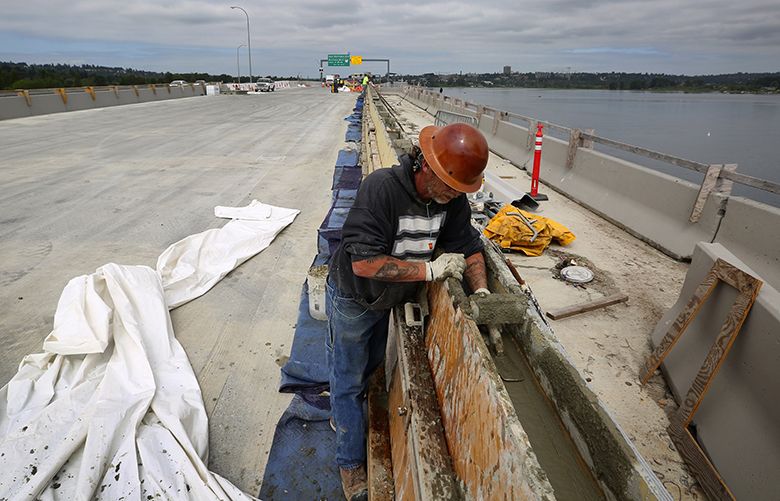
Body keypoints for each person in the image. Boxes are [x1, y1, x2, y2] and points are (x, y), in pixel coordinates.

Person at [326, 123, 491, 500]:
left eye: (460, 190)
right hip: (356, 298)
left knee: (369, 367)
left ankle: (345, 409)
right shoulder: (382, 189)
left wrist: (480, 292)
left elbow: (469, 247)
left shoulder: (452, 200)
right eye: (449, 187)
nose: (453, 196)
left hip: (389, 300)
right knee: (347, 376)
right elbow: (364, 263)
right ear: (425, 167)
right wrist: (430, 270)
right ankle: (349, 463)